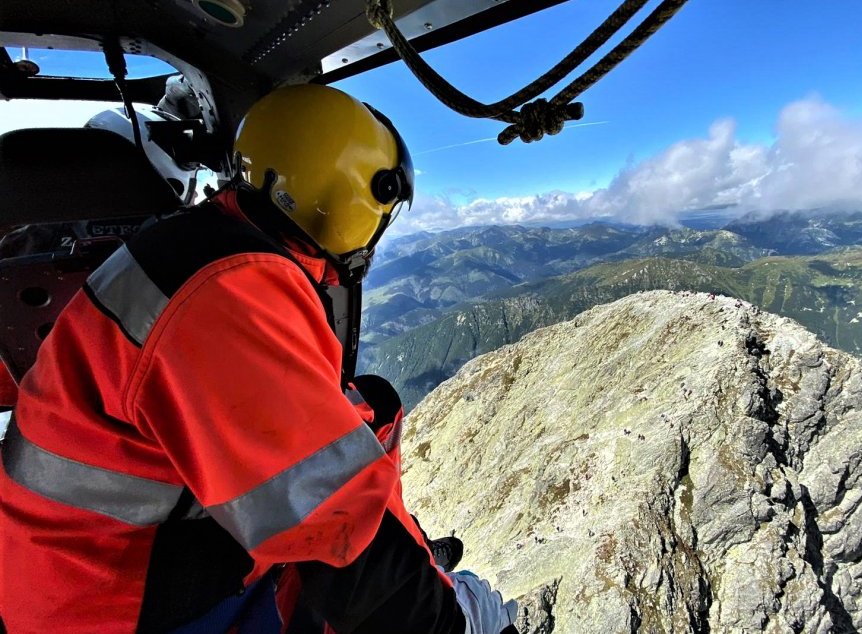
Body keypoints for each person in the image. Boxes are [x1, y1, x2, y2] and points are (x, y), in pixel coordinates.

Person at [0, 84, 517, 633]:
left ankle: (413, 558)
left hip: (82, 556)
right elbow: (331, 522)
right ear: (352, 196)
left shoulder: (207, 246)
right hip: (100, 599)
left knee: (369, 409)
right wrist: (446, 621)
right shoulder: (229, 293)